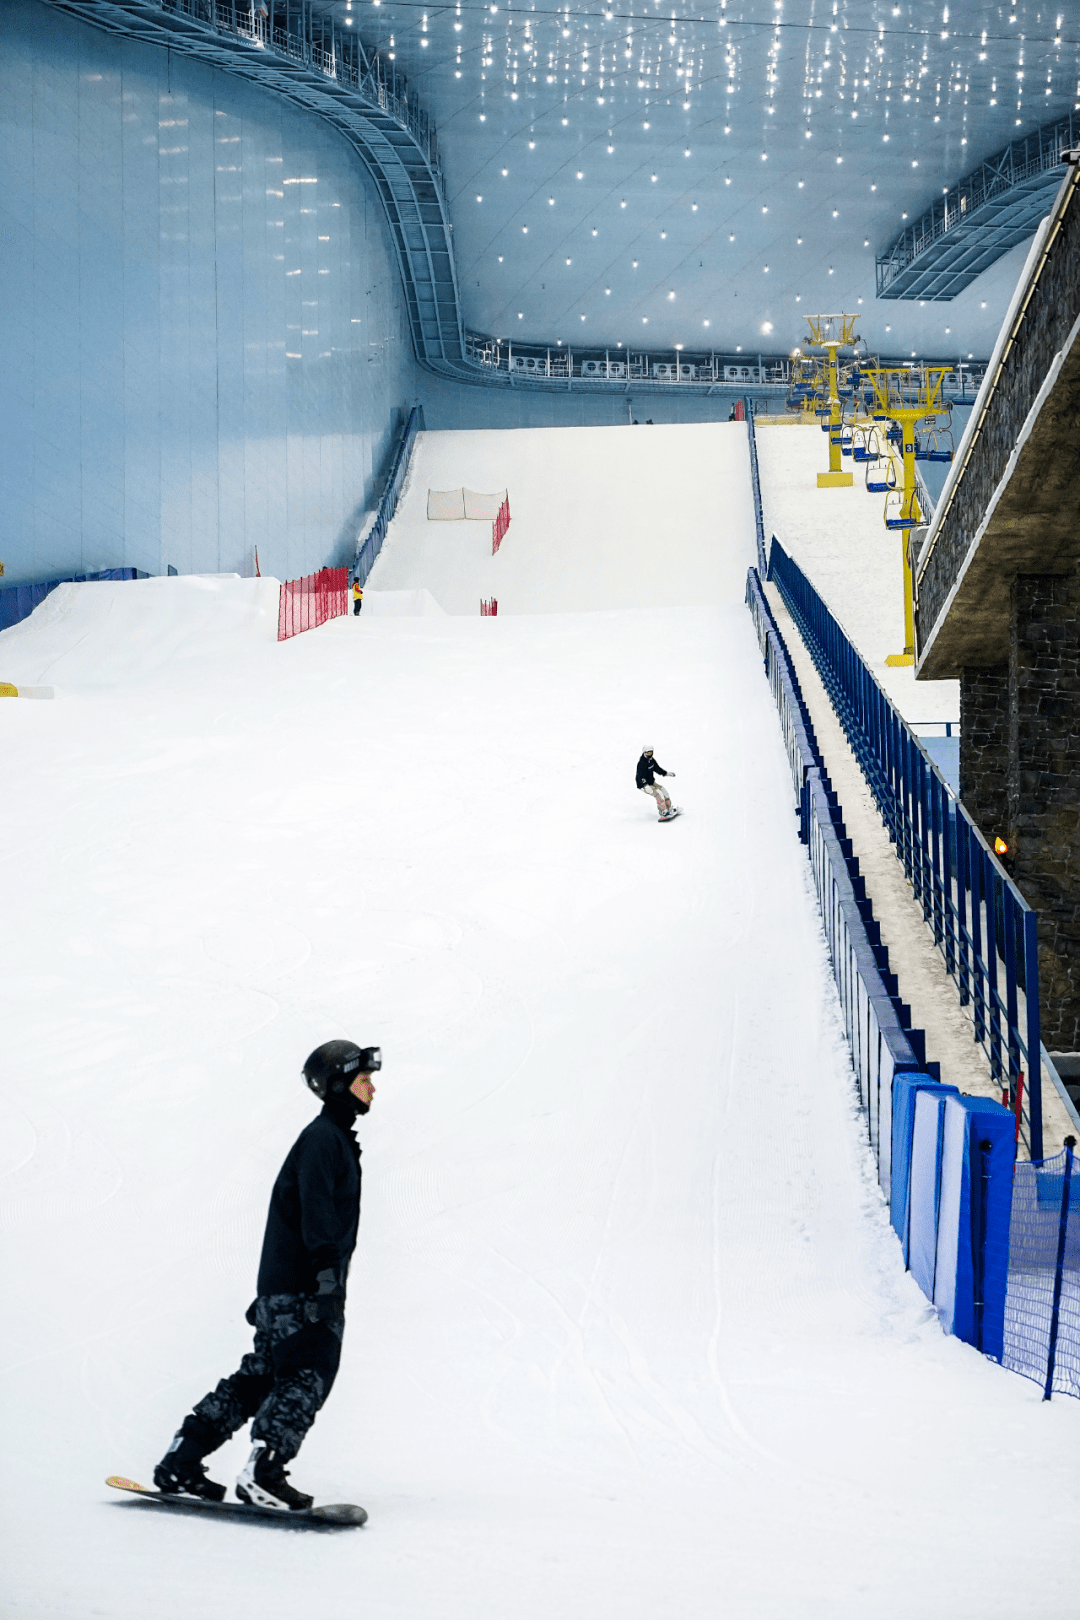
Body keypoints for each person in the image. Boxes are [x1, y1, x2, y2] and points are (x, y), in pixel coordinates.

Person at [153, 1040, 379, 1511]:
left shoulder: (329, 1138)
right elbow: (316, 1215)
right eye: (363, 1080)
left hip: (285, 1284)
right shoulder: (324, 1139)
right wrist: (325, 1281)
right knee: (306, 1373)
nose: (372, 1089)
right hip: (304, 1286)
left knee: (260, 1377)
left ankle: (183, 1458)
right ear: (338, 1087)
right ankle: (264, 1472)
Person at [635, 747, 675, 820]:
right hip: (643, 785)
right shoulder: (641, 763)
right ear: (644, 753)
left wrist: (666, 773)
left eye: (651, 752)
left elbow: (657, 769)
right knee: (658, 794)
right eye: (648, 753)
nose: (649, 754)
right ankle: (663, 811)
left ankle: (668, 808)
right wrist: (645, 786)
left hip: (651, 782)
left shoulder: (651, 761)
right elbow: (639, 777)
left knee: (664, 791)